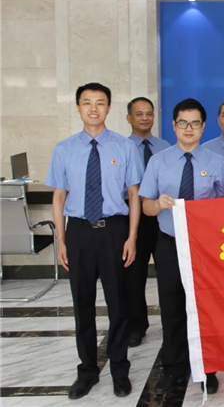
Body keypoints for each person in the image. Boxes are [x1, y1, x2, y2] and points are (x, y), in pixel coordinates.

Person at [46, 82, 143, 399]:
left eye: (100, 102)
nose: (93, 108)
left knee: (119, 305)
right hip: (79, 232)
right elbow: (58, 197)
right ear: (78, 107)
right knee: (82, 304)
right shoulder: (64, 149)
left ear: (109, 108)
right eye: (87, 102)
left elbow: (134, 195)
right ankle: (87, 371)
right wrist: (62, 241)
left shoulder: (124, 147)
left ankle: (119, 371)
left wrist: (132, 237)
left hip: (114, 230)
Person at [138, 98, 224, 395]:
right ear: (174, 126)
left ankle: (207, 369)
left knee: (205, 309)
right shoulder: (158, 161)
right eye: (183, 123)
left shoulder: (215, 162)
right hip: (169, 243)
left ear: (203, 127)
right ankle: (175, 368)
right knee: (172, 307)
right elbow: (146, 206)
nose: (189, 128)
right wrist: (157, 204)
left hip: (204, 247)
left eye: (195, 123)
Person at [125, 96, 170, 348]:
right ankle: (136, 325)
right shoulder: (122, 148)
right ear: (129, 118)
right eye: (139, 114)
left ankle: (171, 324)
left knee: (167, 273)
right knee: (134, 273)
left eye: (149, 113)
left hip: (162, 215)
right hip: (133, 217)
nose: (145, 118)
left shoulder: (165, 147)